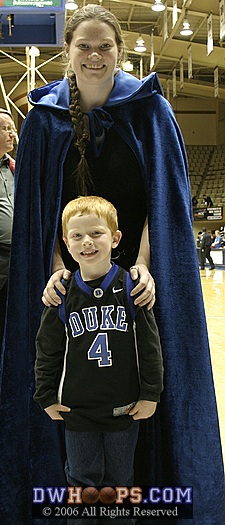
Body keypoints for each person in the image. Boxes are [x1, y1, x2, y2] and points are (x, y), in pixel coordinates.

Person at [0, 5, 224, 525]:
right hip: (69, 272)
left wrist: (145, 264)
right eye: (84, 46)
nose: (94, 56)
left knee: (141, 380)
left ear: (120, 50)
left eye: (105, 46)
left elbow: (161, 201)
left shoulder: (150, 111)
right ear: (68, 52)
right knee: (71, 379)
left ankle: (140, 496)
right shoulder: (43, 120)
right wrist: (56, 266)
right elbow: (41, 209)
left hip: (134, 274)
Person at [34, 196, 164, 524]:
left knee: (119, 483)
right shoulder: (61, 293)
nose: (87, 242)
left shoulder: (132, 287)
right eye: (76, 236)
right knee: (81, 482)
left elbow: (150, 348)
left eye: (96, 233)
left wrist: (151, 393)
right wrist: (46, 395)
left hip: (124, 409)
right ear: (65, 243)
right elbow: (47, 351)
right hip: (77, 413)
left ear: (116, 238)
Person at [0, 108, 16, 351]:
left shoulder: (15, 166)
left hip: (15, 256)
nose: (13, 133)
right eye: (6, 128)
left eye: (12, 128)